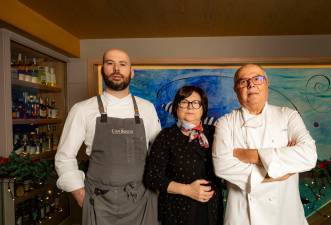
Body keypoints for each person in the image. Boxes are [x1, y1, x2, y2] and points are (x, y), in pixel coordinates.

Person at [55, 49, 161, 225]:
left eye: (122, 64)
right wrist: (80, 194)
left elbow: (159, 153)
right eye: (110, 63)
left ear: (131, 72)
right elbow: (64, 157)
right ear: (103, 70)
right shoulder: (82, 109)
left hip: (142, 201)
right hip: (98, 203)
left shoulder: (147, 108)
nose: (116, 69)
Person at [212, 64, 317, 225]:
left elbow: (309, 156)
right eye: (243, 81)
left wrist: (248, 155)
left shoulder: (288, 116)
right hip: (243, 217)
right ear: (236, 89)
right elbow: (222, 166)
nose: (251, 84)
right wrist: (280, 169)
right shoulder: (225, 123)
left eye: (257, 79)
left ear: (267, 83)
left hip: (286, 215)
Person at [144, 86, 224, 225]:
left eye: (195, 103)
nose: (190, 107)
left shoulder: (215, 133)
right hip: (177, 212)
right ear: (176, 107)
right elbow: (152, 178)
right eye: (184, 102)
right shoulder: (166, 136)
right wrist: (187, 190)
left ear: (203, 108)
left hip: (211, 212)